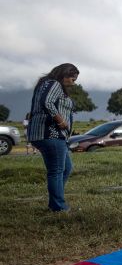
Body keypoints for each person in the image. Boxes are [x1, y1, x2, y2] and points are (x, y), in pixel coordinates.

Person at [27, 63, 79, 212]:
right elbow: (47, 102)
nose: (73, 83)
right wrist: (61, 120)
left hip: (48, 134)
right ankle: (58, 207)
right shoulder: (53, 83)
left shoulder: (46, 84)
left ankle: (55, 201)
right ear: (65, 74)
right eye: (73, 79)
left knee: (66, 168)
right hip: (50, 133)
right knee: (56, 170)